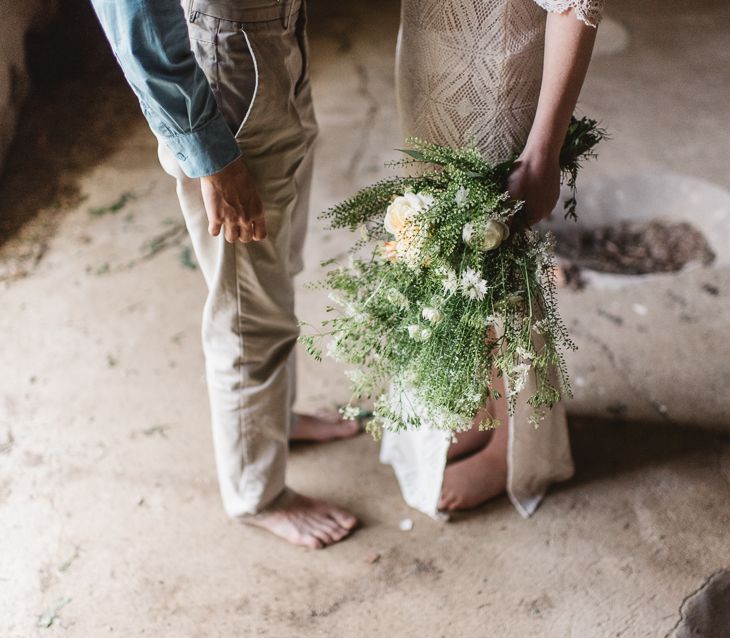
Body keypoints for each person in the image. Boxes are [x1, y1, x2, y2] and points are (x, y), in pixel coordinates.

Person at [89, 0, 359, 548]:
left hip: (276, 41)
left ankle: (276, 419)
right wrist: (210, 155)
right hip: (228, 74)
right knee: (247, 310)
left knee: (277, 269)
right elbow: (133, 15)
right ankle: (256, 495)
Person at [381, 0, 604, 519]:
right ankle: (478, 405)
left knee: (492, 260)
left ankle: (510, 445)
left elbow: (576, 5)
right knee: (435, 248)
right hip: (427, 59)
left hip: (494, 72)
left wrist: (541, 154)